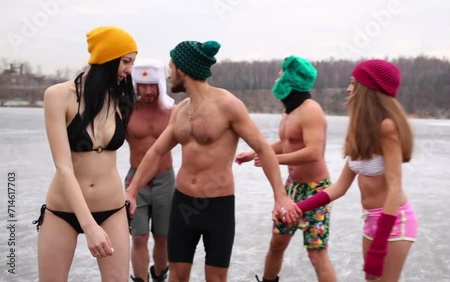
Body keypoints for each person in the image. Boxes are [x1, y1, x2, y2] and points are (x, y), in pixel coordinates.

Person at [125, 40, 301, 282]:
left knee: (216, 278)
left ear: (183, 70)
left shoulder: (228, 105)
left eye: (172, 67)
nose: (169, 74)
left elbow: (263, 148)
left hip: (218, 206)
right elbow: (155, 152)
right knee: (177, 276)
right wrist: (133, 191)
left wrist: (280, 196)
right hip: (183, 203)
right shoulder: (180, 110)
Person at [289, 59, 418, 282]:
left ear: (369, 89)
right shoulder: (360, 129)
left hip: (395, 220)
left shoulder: (387, 127)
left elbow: (395, 188)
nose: (348, 89)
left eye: (353, 83)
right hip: (370, 219)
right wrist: (299, 207)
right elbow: (340, 187)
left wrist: (379, 248)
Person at [32, 26, 138, 281]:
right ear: (107, 58)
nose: (129, 70)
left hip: (111, 209)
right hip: (63, 211)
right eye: (126, 61)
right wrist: (89, 226)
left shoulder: (121, 100)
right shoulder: (58, 96)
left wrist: (134, 190)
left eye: (132, 63)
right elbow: (64, 166)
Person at [235, 55, 337, 282]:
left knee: (317, 252)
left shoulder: (311, 110)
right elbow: (287, 142)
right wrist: (257, 152)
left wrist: (273, 159)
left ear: (292, 78)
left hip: (315, 190)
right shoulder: (289, 111)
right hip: (291, 189)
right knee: (277, 243)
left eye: (281, 73)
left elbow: (314, 152)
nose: (277, 77)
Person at [126, 58, 176, 282]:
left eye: (152, 85)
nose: (147, 90)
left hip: (165, 180)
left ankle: (159, 276)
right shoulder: (127, 111)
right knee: (139, 237)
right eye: (143, 85)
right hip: (135, 181)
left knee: (162, 236)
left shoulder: (172, 111)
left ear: (160, 84)